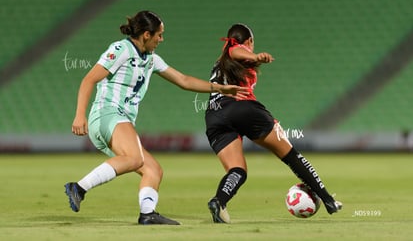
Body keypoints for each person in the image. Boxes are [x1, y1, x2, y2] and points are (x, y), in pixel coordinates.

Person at [65, 11, 247, 225]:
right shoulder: (121, 50)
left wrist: (221, 89)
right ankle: (78, 188)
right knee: (135, 159)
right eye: (159, 35)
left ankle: (147, 214)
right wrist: (79, 115)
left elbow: (184, 80)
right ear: (145, 35)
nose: (161, 39)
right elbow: (88, 80)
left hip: (119, 120)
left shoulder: (151, 60)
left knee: (153, 170)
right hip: (108, 114)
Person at [205, 23, 342, 223]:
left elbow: (232, 51)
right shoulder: (235, 52)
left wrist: (252, 58)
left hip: (214, 116)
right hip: (242, 109)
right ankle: (328, 200)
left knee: (238, 170)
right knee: (291, 155)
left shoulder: (219, 64)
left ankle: (219, 201)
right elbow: (235, 50)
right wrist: (255, 56)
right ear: (249, 41)